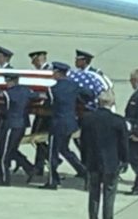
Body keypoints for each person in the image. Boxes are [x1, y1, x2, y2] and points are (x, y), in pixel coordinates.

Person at [40, 62, 91, 190]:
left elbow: (47, 105)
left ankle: (53, 181)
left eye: (54, 72)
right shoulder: (73, 86)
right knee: (65, 150)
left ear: (58, 73)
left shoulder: (53, 89)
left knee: (52, 153)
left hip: (57, 124)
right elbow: (89, 94)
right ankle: (85, 172)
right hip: (70, 123)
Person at [81, 90, 129, 219]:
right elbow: (123, 144)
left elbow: (83, 142)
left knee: (94, 194)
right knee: (109, 195)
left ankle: (93, 217)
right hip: (111, 163)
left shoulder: (88, 119)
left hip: (93, 162)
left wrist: (84, 160)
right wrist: (125, 160)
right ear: (112, 102)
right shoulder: (118, 121)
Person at [0, 73, 44, 186]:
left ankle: (4, 179)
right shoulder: (27, 91)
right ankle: (29, 168)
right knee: (12, 149)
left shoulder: (7, 94)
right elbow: (38, 96)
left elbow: (5, 110)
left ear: (10, 81)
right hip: (22, 125)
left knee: (4, 153)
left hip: (11, 124)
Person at [28, 50, 52, 176]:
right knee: (38, 138)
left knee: (37, 136)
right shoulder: (42, 72)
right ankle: (39, 165)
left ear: (40, 59)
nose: (33, 63)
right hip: (41, 110)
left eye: (34, 60)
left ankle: (50, 159)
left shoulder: (49, 71)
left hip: (46, 112)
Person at [0, 46, 14, 138]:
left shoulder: (10, 71)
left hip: (5, 104)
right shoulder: (0, 70)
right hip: (0, 104)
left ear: (6, 58)